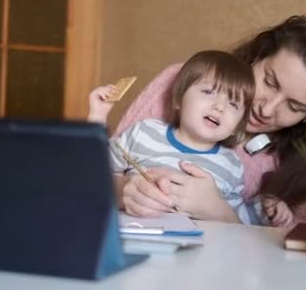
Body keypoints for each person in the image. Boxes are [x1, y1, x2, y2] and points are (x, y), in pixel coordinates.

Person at [112, 13, 306, 227]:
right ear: (256, 56)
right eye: (269, 81)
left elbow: (285, 261)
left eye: (294, 106)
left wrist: (221, 212)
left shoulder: (293, 166)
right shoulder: (182, 82)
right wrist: (127, 190)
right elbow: (93, 174)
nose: (267, 108)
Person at [89, 50, 261, 224]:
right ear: (178, 99)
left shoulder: (232, 165)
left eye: (233, 103)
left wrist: (263, 209)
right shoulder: (144, 132)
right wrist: (97, 117)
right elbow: (96, 169)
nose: (220, 107)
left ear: (236, 127)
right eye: (209, 92)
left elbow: (236, 222)